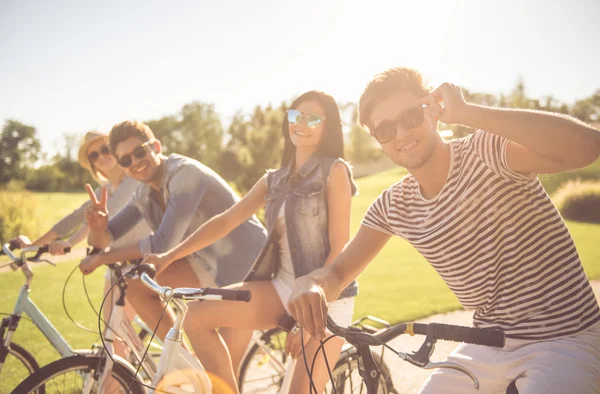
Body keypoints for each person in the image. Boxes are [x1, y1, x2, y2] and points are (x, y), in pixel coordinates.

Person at [287, 68, 600, 394]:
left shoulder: (485, 152)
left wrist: (467, 113)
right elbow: (336, 275)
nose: (401, 134)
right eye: (385, 128)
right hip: (490, 344)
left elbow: (588, 147)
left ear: (432, 112)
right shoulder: (393, 206)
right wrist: (311, 283)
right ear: (377, 139)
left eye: (410, 117)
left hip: (567, 337)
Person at [142, 91, 358, 393]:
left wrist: (311, 319)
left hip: (326, 297)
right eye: (296, 116)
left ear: (327, 126)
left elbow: (340, 249)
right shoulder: (274, 179)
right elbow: (226, 221)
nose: (302, 124)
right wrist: (167, 256)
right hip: (281, 288)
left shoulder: (334, 171)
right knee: (194, 318)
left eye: (313, 119)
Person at [79, 120, 268, 371]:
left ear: (156, 146)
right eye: (125, 160)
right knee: (136, 288)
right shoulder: (143, 194)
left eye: (139, 152)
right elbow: (105, 239)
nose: (134, 162)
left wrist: (102, 258)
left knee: (221, 379)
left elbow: (162, 243)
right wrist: (97, 226)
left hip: (249, 268)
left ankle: (204, 376)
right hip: (205, 264)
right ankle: (186, 366)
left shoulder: (185, 175)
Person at [12, 131, 152, 361]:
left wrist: (70, 242)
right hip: (117, 266)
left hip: (144, 266)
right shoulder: (105, 189)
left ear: (116, 150)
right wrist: (34, 246)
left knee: (128, 336)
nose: (101, 157)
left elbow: (107, 217)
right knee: (112, 337)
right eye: (94, 155)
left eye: (105, 149)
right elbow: (80, 217)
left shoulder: (133, 180)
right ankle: (119, 383)